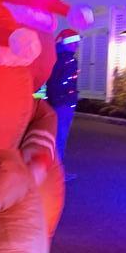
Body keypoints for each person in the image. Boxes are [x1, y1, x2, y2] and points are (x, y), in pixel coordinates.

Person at [46, 28, 81, 174]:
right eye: (74, 43)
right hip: (64, 103)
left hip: (53, 102)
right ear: (67, 43)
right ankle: (57, 173)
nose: (76, 46)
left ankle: (51, 170)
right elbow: (62, 83)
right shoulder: (69, 60)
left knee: (53, 136)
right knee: (60, 136)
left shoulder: (52, 57)